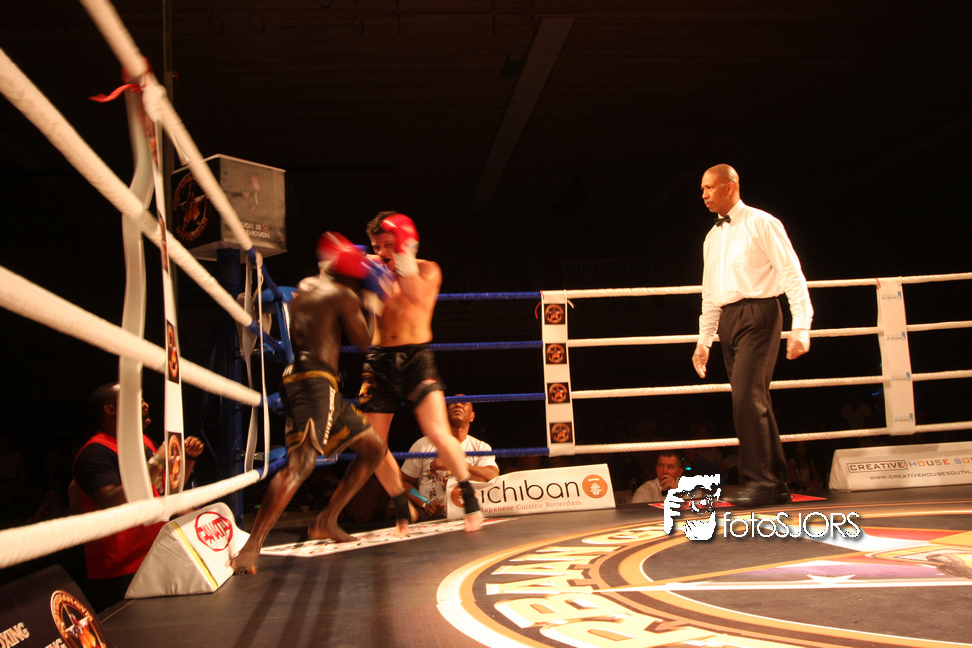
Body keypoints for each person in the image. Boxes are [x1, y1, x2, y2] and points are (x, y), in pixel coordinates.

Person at [232, 232, 394, 575]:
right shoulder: (342, 294)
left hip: (316, 383)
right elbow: (364, 343)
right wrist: (372, 300)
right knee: (302, 464)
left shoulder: (306, 286)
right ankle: (252, 545)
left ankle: (326, 520)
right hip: (314, 383)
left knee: (373, 449)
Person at [691, 164, 813, 508]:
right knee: (751, 399)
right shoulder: (712, 237)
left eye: (709, 188)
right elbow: (710, 293)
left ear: (729, 186)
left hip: (759, 313)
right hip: (728, 319)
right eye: (702, 189)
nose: (704, 195)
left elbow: (792, 273)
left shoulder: (762, 222)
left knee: (747, 397)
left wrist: (801, 325)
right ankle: (774, 483)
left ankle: (761, 483)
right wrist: (704, 340)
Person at [357, 211, 484, 532]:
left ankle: (470, 499)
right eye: (377, 246)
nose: (382, 252)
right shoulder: (370, 266)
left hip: (416, 359)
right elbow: (332, 274)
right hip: (378, 361)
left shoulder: (428, 270)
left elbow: (414, 296)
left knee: (438, 433)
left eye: (389, 244)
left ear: (405, 242)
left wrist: (403, 257)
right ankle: (401, 504)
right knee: (372, 443)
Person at [71, 383, 204, 611]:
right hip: (119, 567)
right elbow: (111, 500)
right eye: (136, 398)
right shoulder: (95, 452)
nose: (145, 404)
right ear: (110, 409)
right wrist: (159, 459)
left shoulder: (145, 442)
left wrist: (189, 458)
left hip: (155, 554)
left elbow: (166, 490)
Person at [401, 397, 499, 521]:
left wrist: (454, 465)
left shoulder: (480, 447)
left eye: (464, 403)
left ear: (472, 416)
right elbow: (404, 482)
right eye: (453, 402)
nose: (458, 405)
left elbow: (492, 476)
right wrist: (424, 502)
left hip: (467, 514)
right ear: (445, 414)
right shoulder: (423, 445)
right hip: (428, 516)